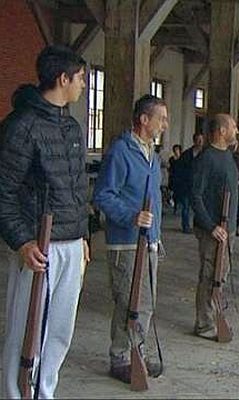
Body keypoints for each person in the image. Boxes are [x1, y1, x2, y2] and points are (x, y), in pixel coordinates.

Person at [0, 44, 89, 398]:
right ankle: (14, 393)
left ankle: (44, 392)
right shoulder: (20, 127)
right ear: (62, 78)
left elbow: (76, 187)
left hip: (70, 243)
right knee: (26, 330)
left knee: (59, 331)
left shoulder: (70, 126)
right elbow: (3, 192)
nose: (83, 85)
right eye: (81, 78)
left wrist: (83, 234)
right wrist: (22, 240)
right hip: (37, 246)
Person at [93, 94, 168, 383]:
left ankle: (138, 350)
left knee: (146, 303)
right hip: (125, 242)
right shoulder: (121, 152)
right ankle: (120, 357)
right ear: (143, 119)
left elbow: (155, 199)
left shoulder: (152, 154)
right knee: (129, 302)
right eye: (160, 118)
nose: (164, 124)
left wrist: (157, 235)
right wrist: (131, 216)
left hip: (149, 241)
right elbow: (103, 195)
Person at [191, 114, 239, 340]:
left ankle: (216, 311)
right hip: (212, 230)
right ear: (221, 130)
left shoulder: (227, 156)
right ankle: (204, 322)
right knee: (210, 274)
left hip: (227, 228)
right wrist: (210, 226)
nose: (236, 131)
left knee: (222, 275)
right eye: (233, 127)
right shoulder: (206, 158)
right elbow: (196, 196)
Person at [174, 133, 204, 233]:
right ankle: (185, 226)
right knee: (185, 207)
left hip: (199, 186)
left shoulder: (204, 155)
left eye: (201, 140)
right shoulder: (186, 154)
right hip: (186, 185)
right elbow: (179, 169)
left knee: (198, 208)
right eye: (198, 140)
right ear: (194, 141)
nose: (200, 143)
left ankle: (198, 226)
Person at [167, 144, 182, 212]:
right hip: (173, 177)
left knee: (178, 192)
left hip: (180, 177)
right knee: (172, 192)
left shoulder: (182, 158)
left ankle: (177, 205)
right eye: (175, 150)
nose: (176, 151)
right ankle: (174, 204)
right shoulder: (171, 159)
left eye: (177, 149)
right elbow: (169, 168)